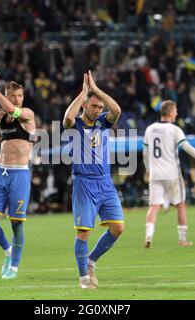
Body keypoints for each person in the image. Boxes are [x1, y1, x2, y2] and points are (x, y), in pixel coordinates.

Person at [63, 70, 123, 289]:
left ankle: (91, 261)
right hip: (84, 183)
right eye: (94, 106)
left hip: (105, 182)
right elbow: (68, 117)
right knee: (84, 232)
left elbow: (116, 110)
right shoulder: (76, 125)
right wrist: (84, 92)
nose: (98, 110)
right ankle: (83, 278)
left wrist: (96, 90)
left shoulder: (103, 123)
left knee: (117, 228)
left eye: (100, 107)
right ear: (85, 106)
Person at [0, 68, 36, 280]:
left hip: (20, 175)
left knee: (16, 223)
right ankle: (8, 251)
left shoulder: (28, 115)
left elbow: (13, 110)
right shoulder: (0, 117)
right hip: (1, 173)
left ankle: (14, 268)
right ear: (6, 95)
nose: (17, 100)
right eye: (13, 96)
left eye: (20, 96)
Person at [143, 100, 195, 248]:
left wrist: (148, 169)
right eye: (175, 111)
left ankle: (148, 236)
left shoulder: (150, 129)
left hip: (155, 174)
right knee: (180, 205)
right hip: (172, 174)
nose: (176, 113)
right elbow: (187, 147)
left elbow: (145, 153)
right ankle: (183, 239)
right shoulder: (175, 130)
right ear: (171, 113)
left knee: (154, 207)